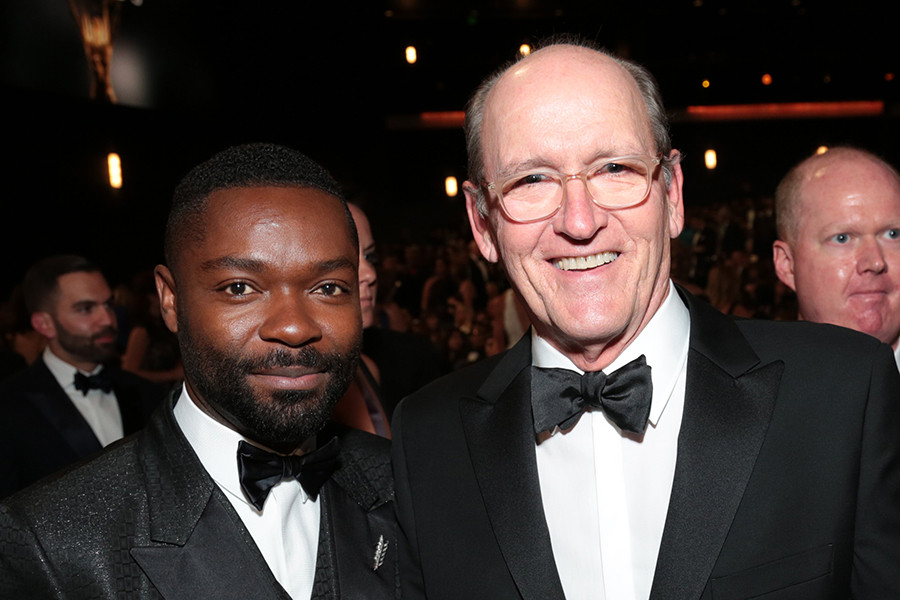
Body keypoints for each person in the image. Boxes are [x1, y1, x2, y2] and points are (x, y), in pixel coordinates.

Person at [391, 39, 900, 600]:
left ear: (674, 194)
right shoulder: (426, 439)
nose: (579, 222)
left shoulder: (842, 394)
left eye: (615, 167)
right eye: (531, 181)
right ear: (482, 224)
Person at [0, 143, 400, 599]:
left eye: (329, 287)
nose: (293, 326)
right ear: (171, 299)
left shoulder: (408, 488)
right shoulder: (49, 543)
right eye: (240, 287)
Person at [0, 255, 163, 498]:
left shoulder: (147, 392)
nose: (108, 320)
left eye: (108, 304)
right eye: (86, 309)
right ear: (45, 324)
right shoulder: (9, 404)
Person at [772, 146, 900, 370]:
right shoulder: (749, 399)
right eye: (842, 238)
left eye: (893, 234)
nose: (875, 262)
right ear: (787, 265)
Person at [331, 203, 391, 437]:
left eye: (369, 256)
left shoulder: (368, 368)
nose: (370, 274)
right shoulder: (295, 383)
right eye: (349, 258)